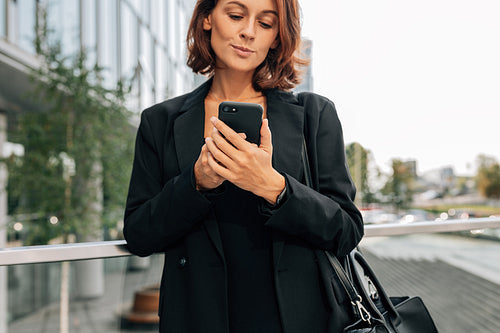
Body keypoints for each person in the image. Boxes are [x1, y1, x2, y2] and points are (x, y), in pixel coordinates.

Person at [123, 0, 364, 332]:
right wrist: (196, 182)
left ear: (278, 37)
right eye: (236, 15)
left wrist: (274, 187)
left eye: (265, 24)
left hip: (297, 320)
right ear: (207, 18)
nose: (248, 32)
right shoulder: (160, 122)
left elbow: (347, 230)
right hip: (198, 319)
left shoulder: (313, 115)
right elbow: (138, 235)